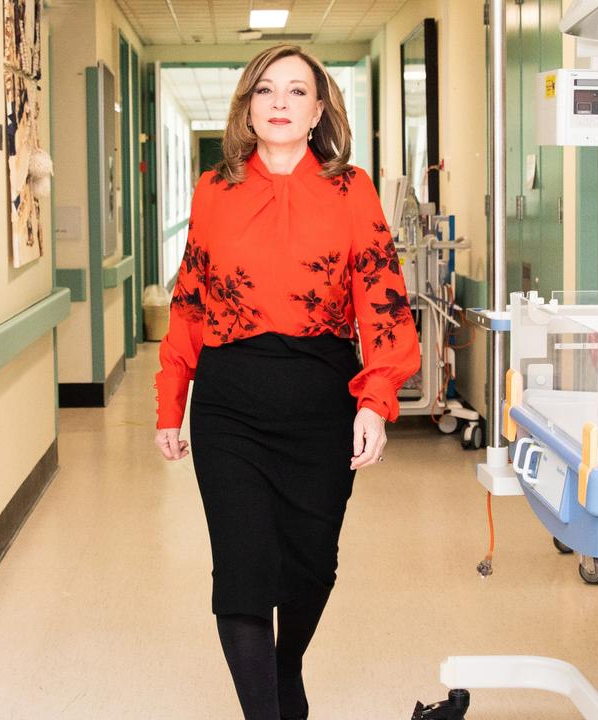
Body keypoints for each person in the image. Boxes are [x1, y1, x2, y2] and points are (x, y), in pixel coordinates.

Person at [153, 44, 419, 720]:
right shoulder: (216, 189)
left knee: (311, 564)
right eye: (265, 90)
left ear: (319, 109)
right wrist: (169, 400)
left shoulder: (350, 188)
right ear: (246, 105)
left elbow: (382, 296)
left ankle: (287, 662)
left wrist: (377, 400)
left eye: (296, 92)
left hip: (319, 394)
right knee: (242, 572)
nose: (279, 103)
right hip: (231, 401)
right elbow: (192, 298)